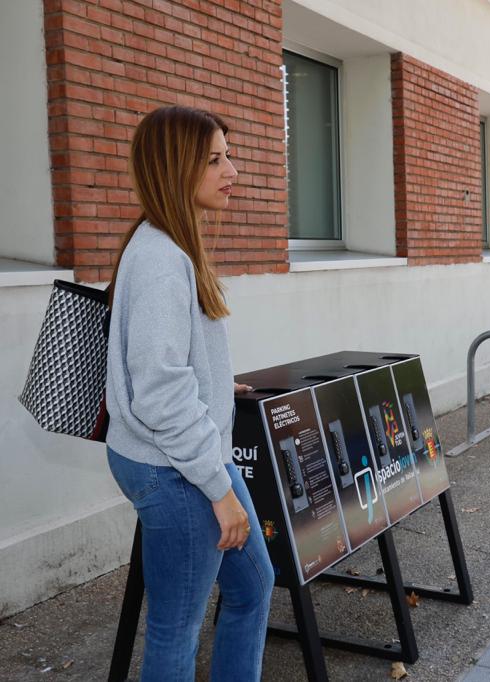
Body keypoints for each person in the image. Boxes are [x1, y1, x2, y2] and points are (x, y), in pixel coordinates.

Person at [105, 106, 274, 681]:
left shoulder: (170, 244)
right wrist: (219, 490)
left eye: (229, 156)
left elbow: (167, 361)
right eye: (214, 160)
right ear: (176, 167)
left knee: (253, 586)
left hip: (184, 457)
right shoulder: (160, 258)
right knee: (176, 629)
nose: (232, 171)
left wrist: (215, 381)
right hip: (175, 468)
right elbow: (159, 392)